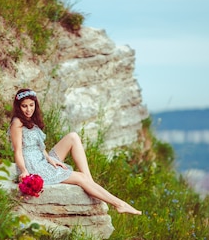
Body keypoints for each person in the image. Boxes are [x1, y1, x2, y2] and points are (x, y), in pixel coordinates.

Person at [9, 88, 141, 215]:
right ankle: (118, 204)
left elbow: (39, 147)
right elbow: (18, 151)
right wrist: (24, 170)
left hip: (42, 159)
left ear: (35, 104)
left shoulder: (30, 119)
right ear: (18, 107)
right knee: (80, 178)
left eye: (31, 105)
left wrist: (50, 160)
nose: (28, 109)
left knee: (73, 136)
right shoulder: (17, 122)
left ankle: (89, 181)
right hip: (33, 166)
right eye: (24, 106)